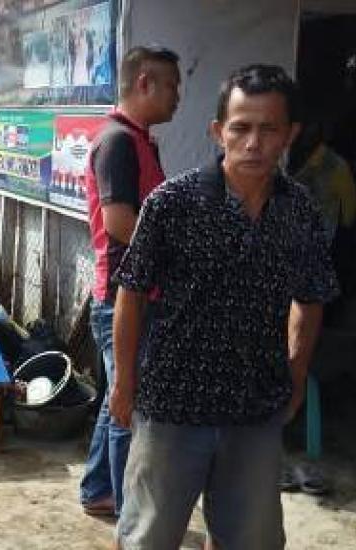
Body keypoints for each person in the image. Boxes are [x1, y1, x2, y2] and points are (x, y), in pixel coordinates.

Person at [110, 64, 339, 548]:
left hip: (254, 410)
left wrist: (295, 377)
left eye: (268, 128)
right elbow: (130, 292)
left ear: (290, 135)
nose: (254, 142)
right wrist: (124, 383)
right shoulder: (172, 204)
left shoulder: (299, 211)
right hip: (172, 405)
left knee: (251, 540)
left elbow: (311, 296)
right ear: (219, 132)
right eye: (241, 127)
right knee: (149, 537)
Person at [79, 45, 181, 518]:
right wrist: (181, 251)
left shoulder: (139, 140)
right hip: (124, 298)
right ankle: (130, 514)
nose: (179, 94)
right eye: (172, 84)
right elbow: (121, 222)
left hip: (132, 294)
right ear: (145, 82)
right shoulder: (118, 141)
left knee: (118, 395)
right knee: (127, 405)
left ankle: (97, 488)